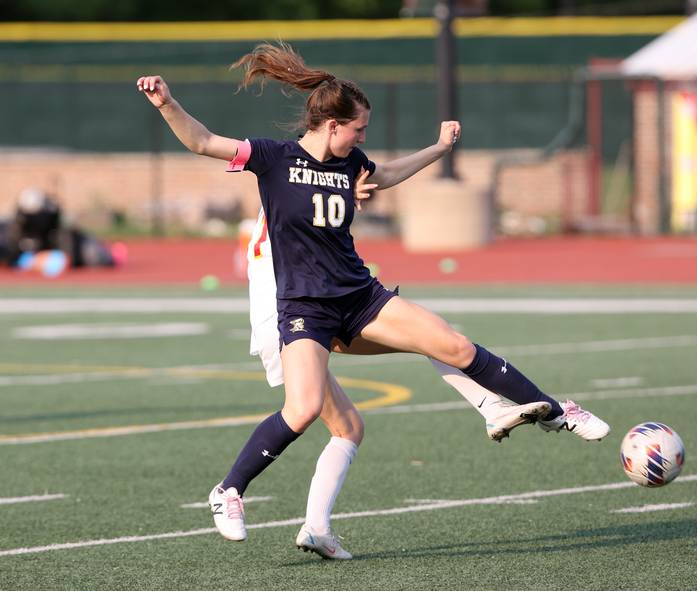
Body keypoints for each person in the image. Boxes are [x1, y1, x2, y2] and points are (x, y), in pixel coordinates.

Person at [137, 42, 609, 560]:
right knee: (303, 409)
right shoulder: (272, 158)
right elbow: (202, 141)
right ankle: (228, 491)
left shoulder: (351, 162)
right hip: (305, 311)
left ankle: (555, 412)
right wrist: (165, 104)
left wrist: (437, 150)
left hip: (361, 298)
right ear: (331, 124)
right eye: (358, 128)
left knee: (450, 343)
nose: (363, 137)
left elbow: (384, 175)